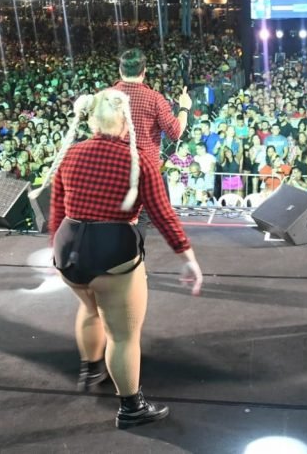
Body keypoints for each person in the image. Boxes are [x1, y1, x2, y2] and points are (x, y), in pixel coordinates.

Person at [44, 88, 203, 429]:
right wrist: (187, 257)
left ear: (90, 120)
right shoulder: (139, 160)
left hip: (69, 249)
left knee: (89, 309)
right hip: (112, 251)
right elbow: (162, 214)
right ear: (127, 122)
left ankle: (91, 369)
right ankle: (131, 407)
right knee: (123, 335)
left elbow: (56, 209)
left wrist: (54, 249)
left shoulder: (70, 155)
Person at [112, 48, 192, 162]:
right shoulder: (154, 99)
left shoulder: (104, 97)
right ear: (144, 72)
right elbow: (176, 132)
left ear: (120, 70)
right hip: (146, 170)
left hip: (114, 169)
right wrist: (184, 107)